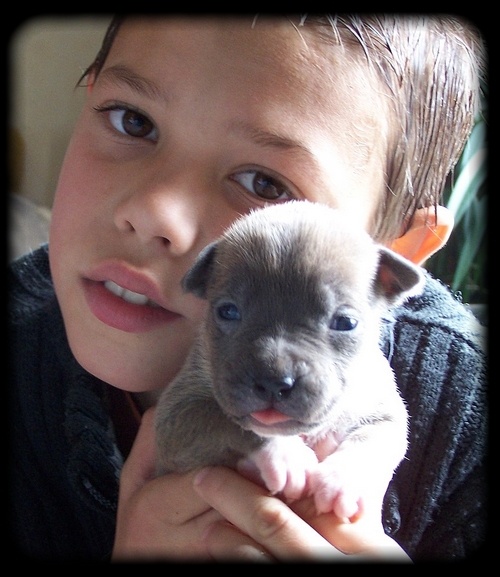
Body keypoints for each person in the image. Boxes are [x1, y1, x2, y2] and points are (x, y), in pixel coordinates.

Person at [9, 14, 487, 562]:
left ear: (395, 251)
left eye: (266, 184)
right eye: (133, 121)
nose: (153, 212)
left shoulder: (465, 422)